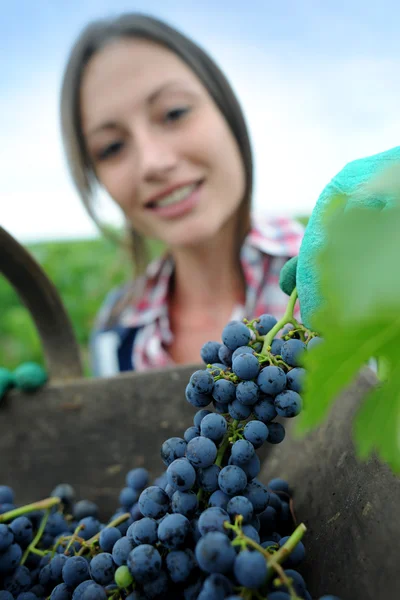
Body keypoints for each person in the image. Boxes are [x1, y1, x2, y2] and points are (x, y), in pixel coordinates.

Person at [59, 13, 304, 376]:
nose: (153, 163)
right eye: (111, 147)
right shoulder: (116, 333)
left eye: (174, 113)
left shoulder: (341, 279)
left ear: (226, 107)